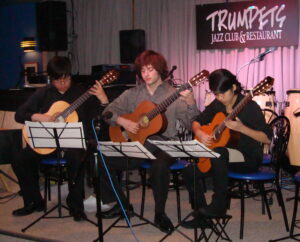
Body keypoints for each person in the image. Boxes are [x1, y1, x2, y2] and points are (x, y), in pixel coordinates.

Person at [99, 50, 200, 233]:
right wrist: (123, 121)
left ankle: (160, 213)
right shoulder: (132, 94)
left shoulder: (174, 94)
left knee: (159, 165)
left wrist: (191, 103)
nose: (146, 74)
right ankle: (123, 205)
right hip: (138, 144)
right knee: (102, 160)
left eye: (150, 70)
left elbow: (190, 123)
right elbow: (109, 111)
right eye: (143, 70)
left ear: (160, 70)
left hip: (165, 145)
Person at [11, 56, 109, 221]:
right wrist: (39, 117)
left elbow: (103, 117)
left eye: (66, 79)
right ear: (51, 79)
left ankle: (76, 205)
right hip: (48, 141)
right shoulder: (44, 92)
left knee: (76, 157)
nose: (63, 84)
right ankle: (34, 201)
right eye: (58, 81)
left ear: (70, 75)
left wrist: (103, 99)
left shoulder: (82, 93)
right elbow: (19, 114)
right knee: (19, 158)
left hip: (74, 143)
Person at [182, 69, 272, 228]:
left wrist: (242, 128)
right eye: (216, 94)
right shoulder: (217, 104)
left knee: (218, 153)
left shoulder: (249, 107)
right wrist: (199, 132)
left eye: (223, 93)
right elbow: (197, 121)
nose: (220, 98)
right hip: (222, 159)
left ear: (234, 87)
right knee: (189, 172)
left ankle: (219, 205)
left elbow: (267, 138)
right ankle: (202, 217)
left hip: (248, 157)